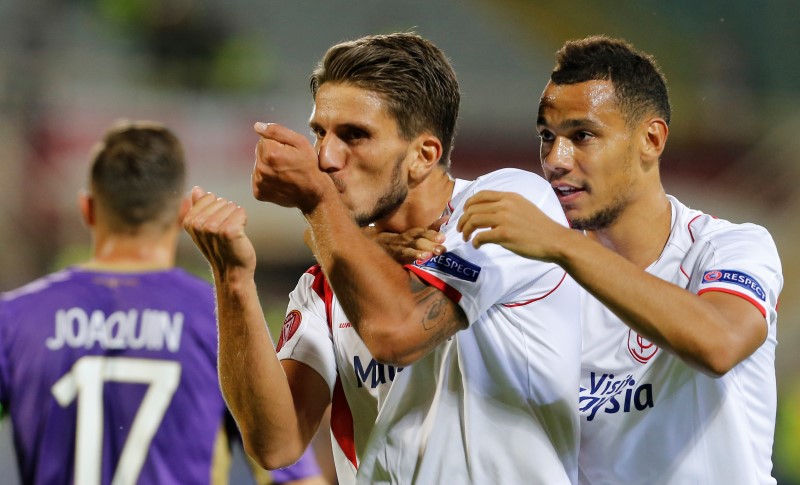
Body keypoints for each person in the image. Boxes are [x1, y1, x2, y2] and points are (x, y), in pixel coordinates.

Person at [184, 32, 583, 484]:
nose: (326, 158)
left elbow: (398, 332)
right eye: (320, 133)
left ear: (423, 155)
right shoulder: (324, 283)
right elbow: (275, 443)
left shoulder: (507, 202)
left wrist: (318, 204)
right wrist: (233, 278)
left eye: (354, 135)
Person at [458, 35, 783, 484]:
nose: (555, 160)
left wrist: (563, 245)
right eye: (547, 137)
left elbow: (720, 343)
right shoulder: (540, 278)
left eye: (582, 135)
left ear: (650, 139)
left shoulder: (729, 247)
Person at [0, 121, 326, 485]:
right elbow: (296, 478)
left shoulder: (14, 319)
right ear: (184, 211)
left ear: (88, 209)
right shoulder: (223, 320)